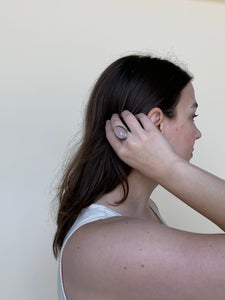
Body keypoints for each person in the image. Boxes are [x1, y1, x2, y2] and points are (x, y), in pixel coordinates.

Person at [53, 54, 225, 300]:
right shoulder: (108, 242)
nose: (197, 133)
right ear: (156, 123)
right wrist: (170, 168)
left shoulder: (143, 213)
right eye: (191, 116)